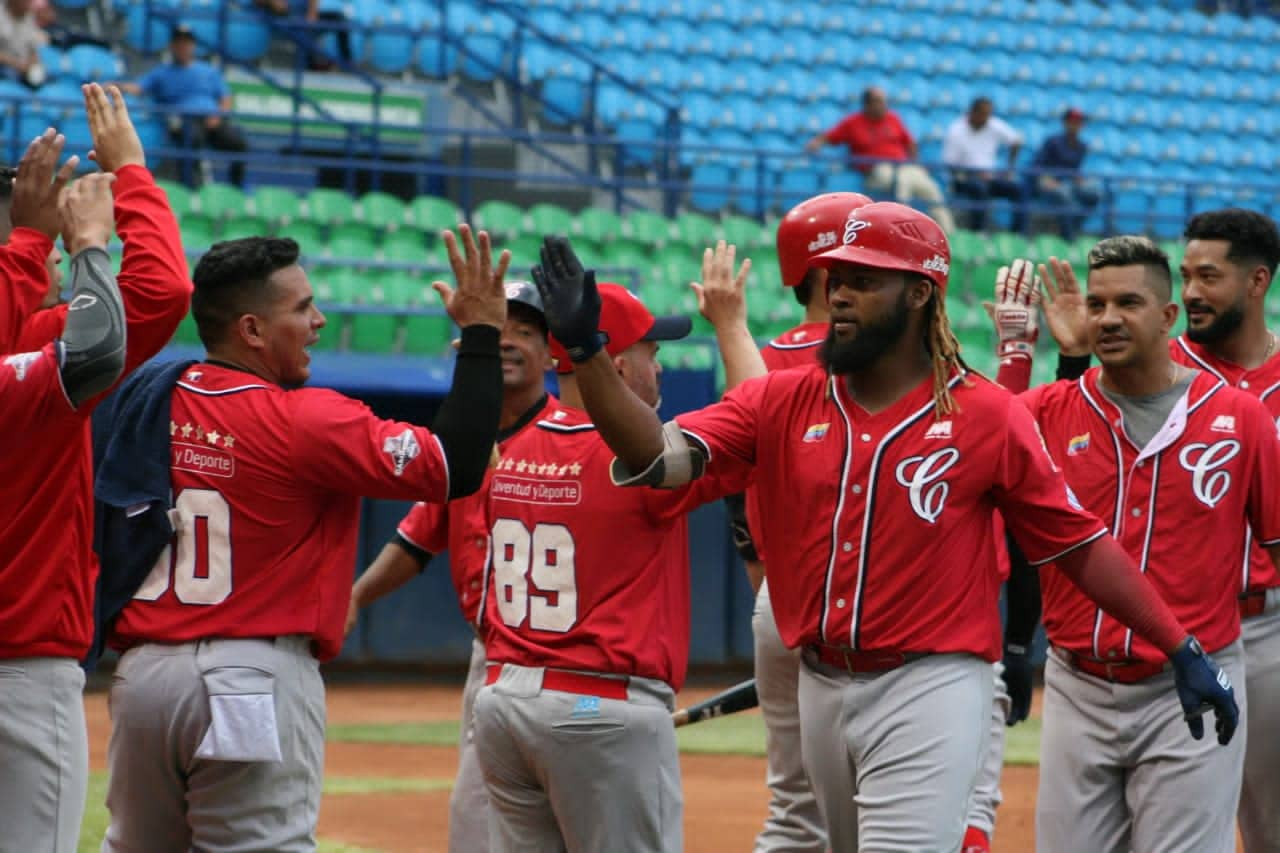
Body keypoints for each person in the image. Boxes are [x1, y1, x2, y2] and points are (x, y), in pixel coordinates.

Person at [529, 205, 1238, 852]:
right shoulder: (778, 399)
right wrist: (589, 356)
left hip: (931, 682)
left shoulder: (986, 415)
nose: (838, 293)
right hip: (819, 682)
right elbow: (656, 457)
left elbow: (1079, 546)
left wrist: (1178, 643)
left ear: (921, 292)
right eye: (835, 277)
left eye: (865, 280)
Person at [96, 225, 508, 852]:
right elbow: (459, 463)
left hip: (143, 679)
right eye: (301, 308)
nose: (318, 321)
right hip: (248, 675)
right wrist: (481, 335)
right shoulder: (304, 420)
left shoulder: (152, 398)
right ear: (251, 330)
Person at [472, 262, 755, 852]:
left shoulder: (511, 450)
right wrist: (730, 323)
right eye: (653, 351)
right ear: (618, 365)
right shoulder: (644, 464)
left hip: (502, 699)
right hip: (599, 707)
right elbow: (757, 417)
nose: (661, 366)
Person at [1029, 209, 1280, 852]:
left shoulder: (1239, 415)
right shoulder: (1094, 390)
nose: (1109, 316)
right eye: (1099, 303)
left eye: (1210, 276)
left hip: (1231, 645)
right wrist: (1061, 355)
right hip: (1092, 663)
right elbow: (1024, 445)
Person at [0, 83, 194, 853]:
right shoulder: (44, 366)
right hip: (23, 662)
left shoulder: (29, 335)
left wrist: (23, 244)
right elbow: (162, 291)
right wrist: (128, 180)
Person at [345, 280, 557, 853]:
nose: (510, 342)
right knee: (472, 822)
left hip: (557, 660)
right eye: (498, 330)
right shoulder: (464, 444)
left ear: (549, 352)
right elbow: (417, 540)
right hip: (488, 655)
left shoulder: (569, 434)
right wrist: (356, 598)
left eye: (526, 331)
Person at [805, 87, 955, 233]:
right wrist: (816, 143)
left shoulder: (893, 118)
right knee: (902, 182)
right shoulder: (852, 122)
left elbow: (909, 143)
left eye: (884, 101)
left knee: (931, 188)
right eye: (878, 101)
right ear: (867, 104)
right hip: (876, 171)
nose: (884, 105)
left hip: (904, 166)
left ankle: (948, 234)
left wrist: (915, 162)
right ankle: (903, 230)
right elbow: (830, 137)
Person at [119, 25, 249, 187]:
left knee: (239, 145)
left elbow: (225, 97)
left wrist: (218, 115)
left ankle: (236, 189)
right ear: (172, 46)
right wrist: (116, 85)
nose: (183, 47)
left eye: (186, 43)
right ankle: (191, 188)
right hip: (184, 121)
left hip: (212, 119)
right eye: (179, 43)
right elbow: (138, 88)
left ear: (193, 46)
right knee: (191, 140)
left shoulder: (208, 71)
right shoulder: (161, 73)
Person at [943, 97, 1025, 232]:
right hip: (964, 179)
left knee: (1019, 189)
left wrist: (1009, 168)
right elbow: (950, 165)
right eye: (983, 114)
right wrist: (972, 174)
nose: (986, 118)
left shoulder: (993, 125)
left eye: (988, 114)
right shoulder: (956, 130)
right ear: (973, 112)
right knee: (979, 188)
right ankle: (978, 233)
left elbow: (1016, 141)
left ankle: (1018, 234)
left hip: (989, 177)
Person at [1029, 108, 1100, 240]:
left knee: (1094, 192)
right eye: (1072, 121)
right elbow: (1037, 165)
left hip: (1069, 182)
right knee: (1065, 194)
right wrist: (1046, 178)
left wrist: (1079, 179)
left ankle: (1073, 227)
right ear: (1065, 123)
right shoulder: (1052, 141)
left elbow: (1074, 170)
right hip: (1048, 180)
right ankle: (1068, 236)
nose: (1076, 125)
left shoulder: (1082, 146)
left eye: (1079, 122)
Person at [0, 0, 48, 87]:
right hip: (5, 68)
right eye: (26, 1)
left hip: (24, 68)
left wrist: (33, 64)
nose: (29, 3)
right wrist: (18, 65)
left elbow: (33, 49)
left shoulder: (29, 16)